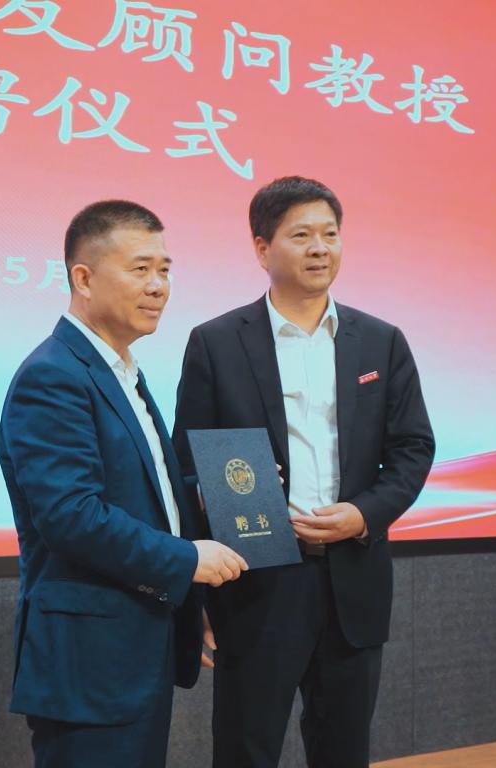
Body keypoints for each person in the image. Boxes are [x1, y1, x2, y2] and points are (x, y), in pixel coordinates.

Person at [174, 177, 435, 767]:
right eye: (301, 235)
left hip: (352, 581)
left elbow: (413, 448)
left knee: (343, 750)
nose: (320, 248)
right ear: (262, 248)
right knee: (245, 750)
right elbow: (189, 467)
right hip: (256, 583)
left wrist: (364, 514)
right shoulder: (216, 343)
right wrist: (198, 593)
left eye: (330, 234)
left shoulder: (381, 342)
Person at [0, 200, 248, 768]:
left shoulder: (121, 370)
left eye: (165, 269)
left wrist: (212, 492)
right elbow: (71, 516)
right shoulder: (53, 375)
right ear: (83, 279)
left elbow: (144, 491)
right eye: (140, 269)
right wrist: (187, 559)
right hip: (90, 664)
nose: (158, 286)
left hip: (136, 647)